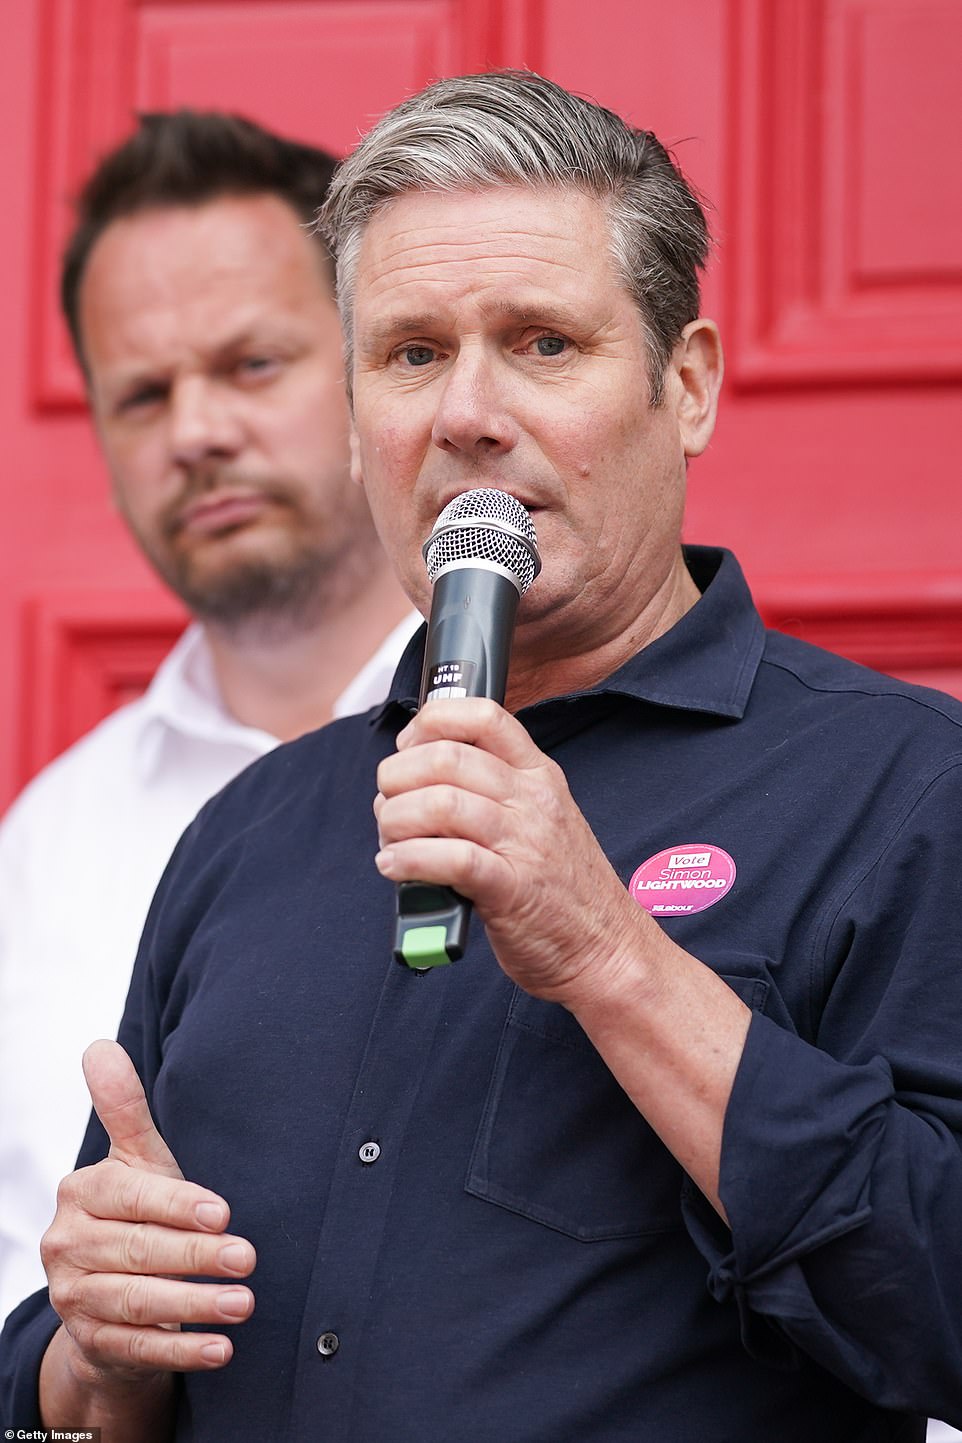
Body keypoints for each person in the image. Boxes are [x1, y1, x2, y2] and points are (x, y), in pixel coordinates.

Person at [3, 70, 962, 1441]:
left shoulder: (902, 787)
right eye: (407, 354)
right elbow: (97, 1366)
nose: (465, 411)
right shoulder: (249, 827)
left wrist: (609, 956)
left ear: (682, 385)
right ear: (356, 422)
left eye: (542, 343)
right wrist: (86, 1353)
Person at [0, 111, 417, 1326]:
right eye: (142, 394)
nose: (195, 433)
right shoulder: (50, 841)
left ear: (369, 365)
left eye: (250, 364)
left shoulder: (579, 739)